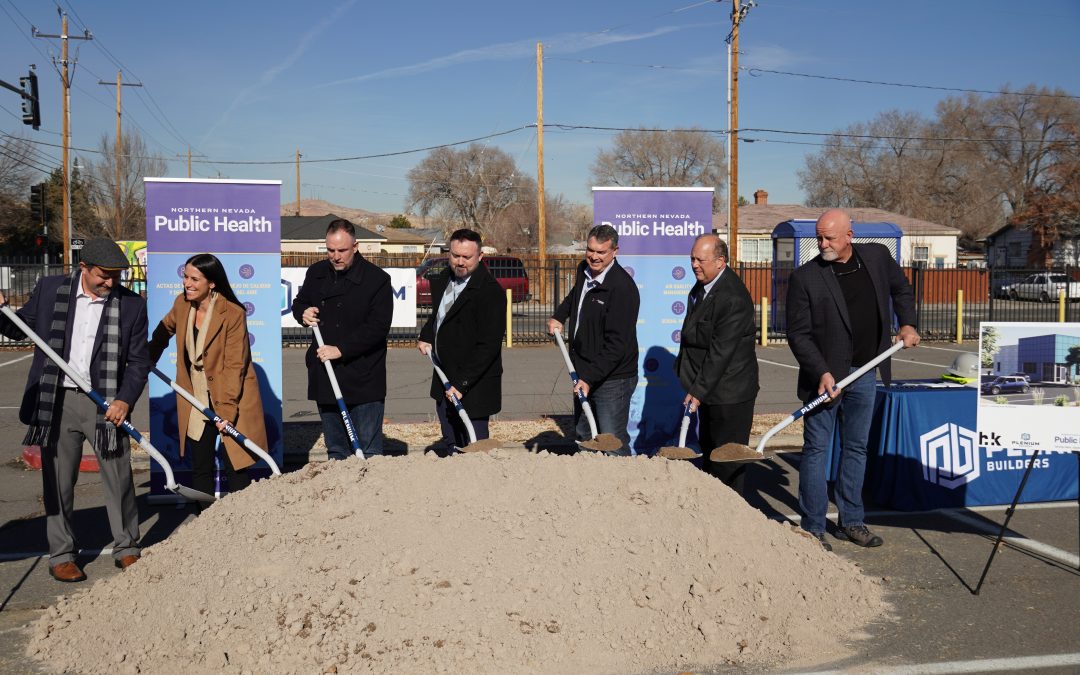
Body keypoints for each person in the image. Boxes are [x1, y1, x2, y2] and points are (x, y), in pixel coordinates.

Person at [0, 239, 150, 582]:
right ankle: (62, 553)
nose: (111, 282)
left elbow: (140, 361)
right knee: (57, 481)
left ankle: (127, 547)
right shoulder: (51, 289)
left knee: (119, 478)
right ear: (84, 267)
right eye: (104, 275)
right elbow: (20, 329)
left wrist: (125, 400)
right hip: (57, 399)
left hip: (106, 402)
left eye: (116, 275)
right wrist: (2, 309)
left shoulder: (131, 306)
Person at [786, 208, 920, 551]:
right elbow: (799, 335)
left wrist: (907, 323)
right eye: (819, 237)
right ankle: (813, 528)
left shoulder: (876, 256)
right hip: (826, 381)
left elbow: (901, 289)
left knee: (856, 448)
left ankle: (852, 521)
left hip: (865, 372)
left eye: (829, 237)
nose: (822, 244)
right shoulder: (806, 277)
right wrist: (823, 371)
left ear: (849, 234)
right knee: (816, 450)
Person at [148, 253, 267, 500]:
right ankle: (205, 526)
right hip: (196, 395)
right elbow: (164, 330)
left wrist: (227, 412)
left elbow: (236, 365)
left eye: (194, 279)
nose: (187, 284)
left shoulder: (232, 313)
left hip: (230, 394)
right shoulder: (182, 304)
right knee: (200, 465)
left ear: (211, 283)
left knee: (236, 463)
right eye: (185, 277)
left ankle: (241, 524)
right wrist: (147, 357)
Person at [293, 219, 393, 459]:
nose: (335, 256)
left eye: (342, 251)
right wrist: (303, 313)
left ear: (355, 246)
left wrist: (342, 349)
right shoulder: (316, 273)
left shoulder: (376, 279)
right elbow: (300, 303)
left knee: (368, 452)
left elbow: (378, 328)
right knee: (337, 451)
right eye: (330, 250)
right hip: (326, 374)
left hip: (364, 377)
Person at [673, 234, 759, 494]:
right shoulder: (702, 286)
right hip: (710, 390)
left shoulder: (732, 297)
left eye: (701, 259)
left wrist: (697, 392)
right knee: (709, 456)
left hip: (730, 394)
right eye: (692, 258)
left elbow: (721, 353)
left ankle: (732, 521)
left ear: (721, 261)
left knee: (727, 464)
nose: (694, 264)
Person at [548, 224, 640, 454]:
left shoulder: (621, 289)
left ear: (615, 251)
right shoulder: (584, 270)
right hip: (584, 371)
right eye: (590, 250)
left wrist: (587, 379)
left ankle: (621, 487)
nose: (594, 257)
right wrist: (560, 316)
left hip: (612, 379)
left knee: (611, 442)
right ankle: (589, 487)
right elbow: (574, 297)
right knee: (585, 437)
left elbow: (616, 346)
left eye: (601, 252)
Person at [417, 229, 506, 451]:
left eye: (467, 257)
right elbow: (439, 317)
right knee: (451, 443)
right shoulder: (443, 280)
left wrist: (461, 384)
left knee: (475, 448)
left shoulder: (490, 293)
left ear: (480, 256)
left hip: (473, 385)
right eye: (455, 255)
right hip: (444, 377)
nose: (460, 262)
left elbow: (488, 346)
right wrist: (426, 336)